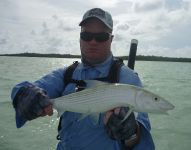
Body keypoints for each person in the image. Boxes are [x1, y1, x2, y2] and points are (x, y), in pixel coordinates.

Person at [11, 8, 155, 150]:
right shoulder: (66, 74)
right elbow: (29, 88)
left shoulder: (128, 78)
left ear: (111, 39)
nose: (93, 42)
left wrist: (131, 133)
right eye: (86, 36)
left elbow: (141, 140)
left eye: (101, 37)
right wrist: (24, 96)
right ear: (80, 38)